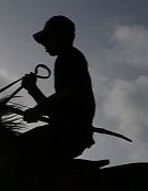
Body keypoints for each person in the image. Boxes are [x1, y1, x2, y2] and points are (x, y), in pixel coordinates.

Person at [18, 15, 96, 162]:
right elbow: (57, 107)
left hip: (68, 133)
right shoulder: (68, 58)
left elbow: (67, 94)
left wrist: (37, 110)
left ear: (60, 35)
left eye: (46, 38)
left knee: (15, 148)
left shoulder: (68, 57)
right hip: (70, 132)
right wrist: (32, 89)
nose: (44, 45)